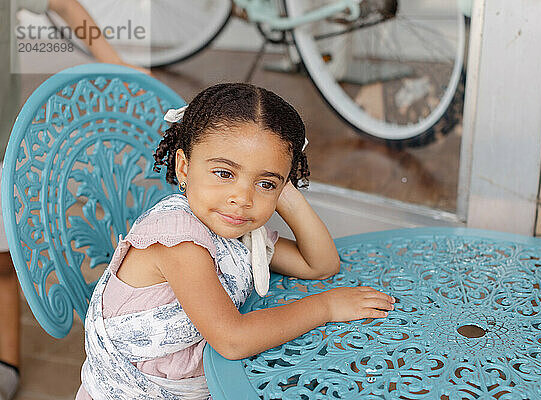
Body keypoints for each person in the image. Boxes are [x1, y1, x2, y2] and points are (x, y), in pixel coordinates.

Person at [75, 83, 395, 399]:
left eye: (265, 183)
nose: (242, 198)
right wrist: (325, 306)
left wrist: (283, 190)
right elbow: (232, 340)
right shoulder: (177, 241)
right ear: (184, 167)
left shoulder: (239, 235)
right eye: (225, 173)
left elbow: (320, 264)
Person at [0, 1, 149, 399]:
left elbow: (63, 4)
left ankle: (5, 361)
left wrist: (116, 65)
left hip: (1, 147)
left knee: (2, 262)